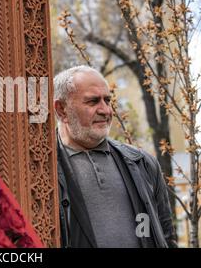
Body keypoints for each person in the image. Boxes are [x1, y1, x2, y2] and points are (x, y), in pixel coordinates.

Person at [54, 65, 177, 248]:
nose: (106, 110)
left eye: (108, 100)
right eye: (93, 101)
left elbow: (166, 237)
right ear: (62, 110)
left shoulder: (142, 163)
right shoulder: (43, 170)